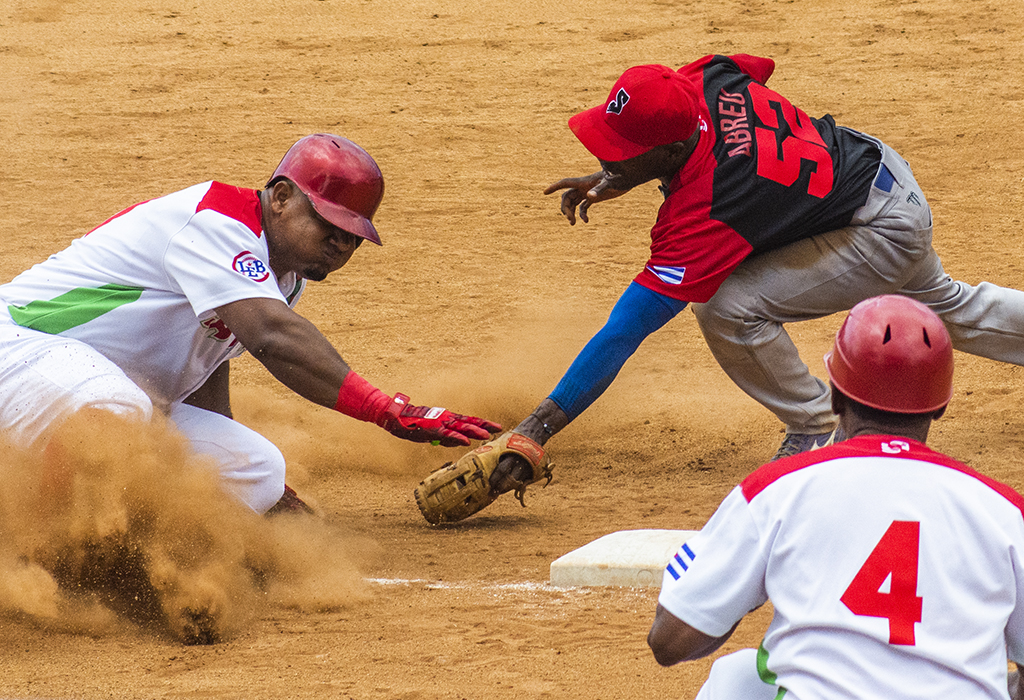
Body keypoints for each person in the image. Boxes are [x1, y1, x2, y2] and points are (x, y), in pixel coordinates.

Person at [486, 53, 1024, 493]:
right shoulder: (701, 79)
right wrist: (620, 175)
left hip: (878, 229)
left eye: (624, 152)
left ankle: (815, 425)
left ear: (671, 150)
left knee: (727, 306)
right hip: (875, 169)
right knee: (950, 307)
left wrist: (538, 429)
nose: (611, 157)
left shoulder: (708, 210)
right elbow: (750, 72)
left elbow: (625, 331)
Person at [0, 133, 500, 516]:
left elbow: (203, 368)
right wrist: (383, 409)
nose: (340, 245)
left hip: (77, 391)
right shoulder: (216, 222)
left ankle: (133, 533)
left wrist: (271, 502)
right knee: (117, 405)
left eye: (352, 236)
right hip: (20, 350)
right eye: (328, 223)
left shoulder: (283, 275)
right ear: (281, 197)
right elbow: (272, 336)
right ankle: (50, 551)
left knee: (257, 469)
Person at [646, 295, 1024, 699]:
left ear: (835, 395)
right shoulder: (1004, 512)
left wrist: (742, 577)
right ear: (941, 405)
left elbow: (670, 641)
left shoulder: (780, 490)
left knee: (736, 682)